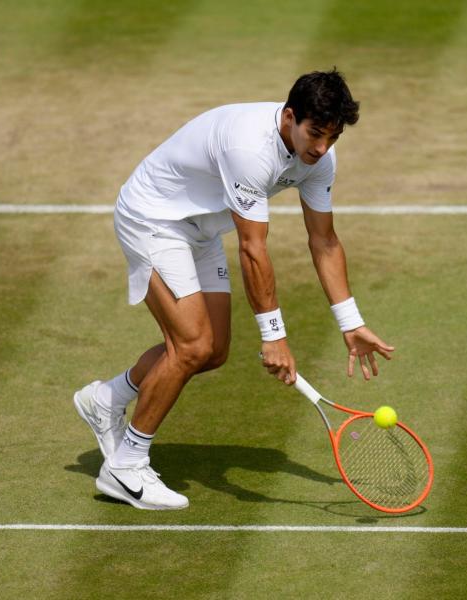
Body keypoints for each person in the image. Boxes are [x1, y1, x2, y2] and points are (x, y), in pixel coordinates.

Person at [73, 68, 395, 510]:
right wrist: (274, 336)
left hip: (199, 229)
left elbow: (324, 241)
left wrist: (351, 322)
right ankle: (126, 466)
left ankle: (107, 398)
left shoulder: (320, 159)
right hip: (153, 219)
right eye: (315, 134)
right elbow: (252, 250)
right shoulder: (249, 149)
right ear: (288, 118)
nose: (321, 149)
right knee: (190, 345)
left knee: (212, 349)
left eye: (333, 138)